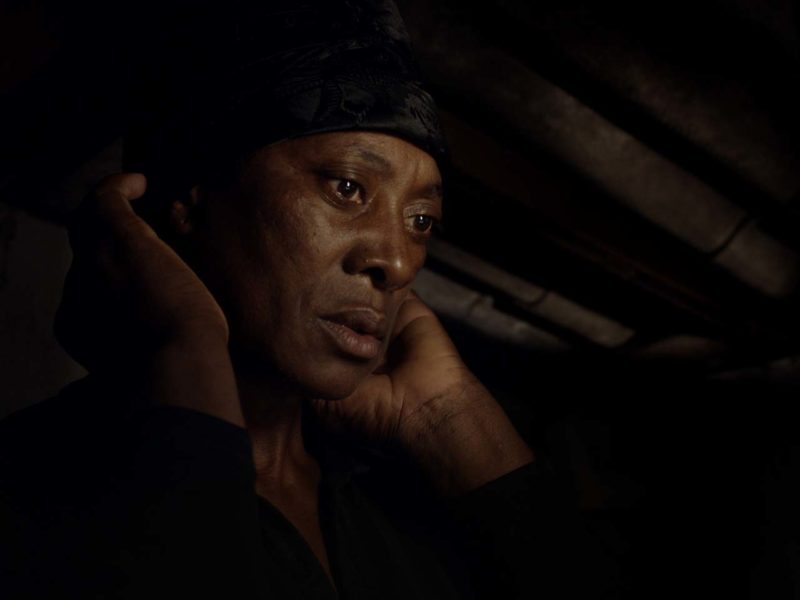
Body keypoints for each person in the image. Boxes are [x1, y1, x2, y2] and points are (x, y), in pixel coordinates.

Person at [0, 1, 618, 598]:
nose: (400, 262)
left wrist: (448, 416)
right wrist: (185, 352)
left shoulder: (416, 507)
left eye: (421, 221)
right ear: (191, 196)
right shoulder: (28, 488)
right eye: (348, 187)